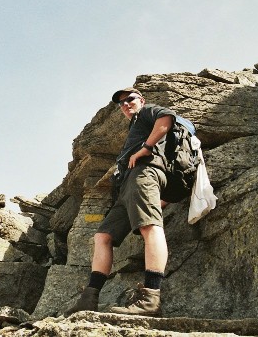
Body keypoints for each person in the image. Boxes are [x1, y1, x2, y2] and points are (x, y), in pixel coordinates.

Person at [65, 87, 175, 317]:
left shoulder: (147, 112)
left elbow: (166, 119)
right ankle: (89, 298)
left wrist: (145, 148)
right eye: (121, 103)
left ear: (141, 100)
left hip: (144, 174)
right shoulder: (134, 124)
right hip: (127, 185)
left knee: (149, 227)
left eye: (130, 99)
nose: (125, 104)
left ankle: (151, 298)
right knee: (103, 236)